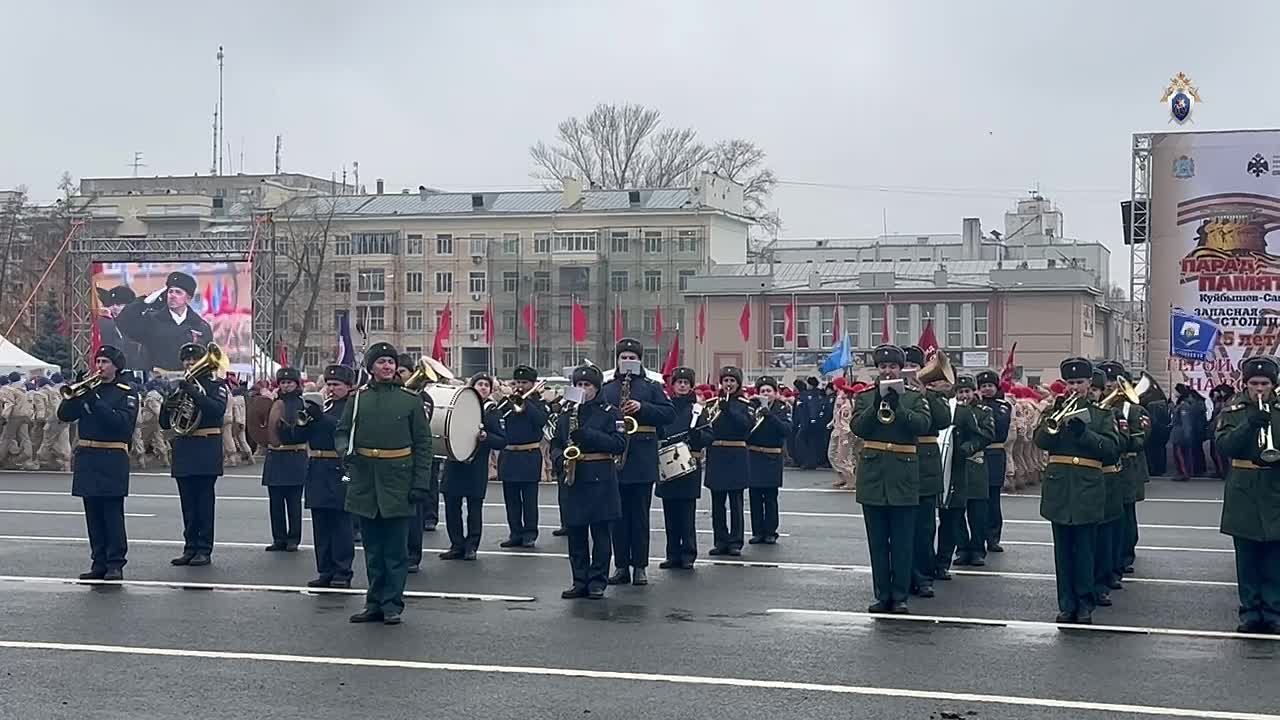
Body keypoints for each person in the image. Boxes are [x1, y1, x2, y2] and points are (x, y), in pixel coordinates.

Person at [339, 342, 432, 624]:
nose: (388, 367)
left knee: (395, 550)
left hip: (398, 481)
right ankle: (374, 603)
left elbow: (423, 445)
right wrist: (346, 450)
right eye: (381, 362)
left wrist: (420, 484)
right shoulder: (357, 400)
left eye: (391, 362)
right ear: (371, 368)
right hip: (366, 480)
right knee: (373, 549)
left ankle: (393, 603)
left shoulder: (410, 400)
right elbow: (342, 431)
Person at [1035, 357, 1120, 625]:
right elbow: (1040, 440)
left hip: (1087, 487)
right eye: (1070, 383)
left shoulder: (1102, 415)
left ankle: (1085, 603)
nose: (1074, 387)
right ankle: (1066, 604)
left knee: (1085, 550)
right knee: (1063, 552)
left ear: (1088, 384)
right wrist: (1056, 422)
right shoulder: (1053, 411)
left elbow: (1111, 450)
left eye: (1079, 382)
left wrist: (1085, 434)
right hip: (1060, 487)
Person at [853, 344, 931, 613]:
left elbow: (923, 426)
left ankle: (899, 595)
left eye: (892, 366)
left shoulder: (913, 397)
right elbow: (858, 428)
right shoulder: (865, 397)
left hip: (903, 475)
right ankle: (881, 594)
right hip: (874, 475)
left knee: (902, 540)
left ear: (900, 369)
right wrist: (877, 405)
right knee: (877, 541)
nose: (887, 371)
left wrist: (900, 409)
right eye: (883, 367)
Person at [56, 346, 140, 581]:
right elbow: (64, 415)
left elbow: (121, 424)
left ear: (116, 366)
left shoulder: (127, 392)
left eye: (105, 362)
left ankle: (115, 563)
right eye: (98, 361)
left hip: (112, 456)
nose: (100, 366)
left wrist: (95, 399)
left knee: (112, 513)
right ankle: (98, 561)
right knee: (92, 514)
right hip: (87, 456)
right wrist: (77, 395)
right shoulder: (89, 389)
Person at [1214, 356, 1280, 633]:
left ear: (1274, 385)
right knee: (1247, 556)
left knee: (1274, 556)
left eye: (1265, 383)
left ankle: (1273, 610)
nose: (1259, 389)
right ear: (1245, 384)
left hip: (1275, 486)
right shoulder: (1234, 410)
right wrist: (1249, 424)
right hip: (1244, 487)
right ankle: (1250, 610)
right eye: (1254, 383)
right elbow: (1224, 446)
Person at [601, 338, 674, 586]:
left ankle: (640, 566)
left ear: (640, 361)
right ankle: (621, 565)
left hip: (642, 456)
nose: (628, 361)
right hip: (616, 457)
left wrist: (642, 407)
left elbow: (668, 413)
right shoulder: (608, 388)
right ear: (618, 360)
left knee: (640, 516)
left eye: (633, 357)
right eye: (624, 357)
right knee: (617, 516)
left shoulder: (652, 387)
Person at [549, 364, 626, 599]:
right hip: (575, 477)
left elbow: (619, 444)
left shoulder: (611, 412)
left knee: (601, 534)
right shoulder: (565, 414)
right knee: (576, 533)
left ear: (596, 388)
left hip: (601, 477)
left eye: (587, 385)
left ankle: (597, 581)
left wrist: (589, 435)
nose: (582, 389)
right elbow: (555, 443)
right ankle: (579, 580)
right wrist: (559, 456)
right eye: (578, 385)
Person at [159, 343, 228, 567]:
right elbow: (165, 423)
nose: (190, 363)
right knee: (188, 504)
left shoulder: (216, 386)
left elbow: (215, 411)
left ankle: (204, 549)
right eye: (186, 360)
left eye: (194, 359)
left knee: (204, 503)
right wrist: (167, 406)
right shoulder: (179, 387)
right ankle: (189, 547)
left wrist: (196, 394)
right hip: (185, 447)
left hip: (206, 447)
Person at [297, 364, 357, 588]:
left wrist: (319, 417)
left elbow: (344, 428)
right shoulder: (324, 407)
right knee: (320, 523)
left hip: (340, 467)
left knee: (341, 523)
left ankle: (343, 571)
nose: (331, 388)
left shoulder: (351, 407)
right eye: (329, 384)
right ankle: (325, 569)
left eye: (336, 385)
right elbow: (301, 434)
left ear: (348, 387)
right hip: (317, 466)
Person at [440, 374, 506, 561]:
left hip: (476, 467)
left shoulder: (492, 411)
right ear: (472, 386)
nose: (483, 387)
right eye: (480, 384)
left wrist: (486, 437)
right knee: (452, 508)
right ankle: (456, 545)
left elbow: (502, 440)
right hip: (454, 464)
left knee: (474, 509)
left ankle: (471, 546)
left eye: (487, 385)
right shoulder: (459, 405)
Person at [904, 345, 949, 598]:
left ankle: (923, 576)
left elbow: (943, 420)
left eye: (915, 367)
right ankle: (900, 575)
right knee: (900, 526)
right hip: (899, 461)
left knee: (924, 526)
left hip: (926, 462)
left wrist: (926, 394)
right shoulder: (890, 391)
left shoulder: (932, 393)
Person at [936, 376, 992, 575]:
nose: (964, 395)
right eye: (960, 391)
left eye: (967, 391)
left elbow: (987, 434)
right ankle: (962, 548)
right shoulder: (949, 410)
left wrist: (967, 448)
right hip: (952, 468)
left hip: (974, 466)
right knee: (955, 514)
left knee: (978, 513)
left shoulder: (984, 412)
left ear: (974, 392)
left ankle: (977, 549)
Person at [658, 367, 711, 569]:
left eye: (686, 383)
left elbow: (709, 436)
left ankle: (688, 554)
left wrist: (697, 436)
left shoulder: (697, 410)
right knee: (669, 513)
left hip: (688, 465)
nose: (682, 386)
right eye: (679, 382)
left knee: (687, 514)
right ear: (673, 385)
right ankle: (672, 554)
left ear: (690, 386)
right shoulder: (666, 408)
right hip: (667, 463)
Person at [114, 271, 215, 374]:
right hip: (158, 380)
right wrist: (143, 302)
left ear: (188, 298)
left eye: (178, 292)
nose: (172, 295)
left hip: (191, 379)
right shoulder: (152, 320)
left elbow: (208, 358)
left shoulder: (200, 326)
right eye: (170, 292)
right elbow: (123, 323)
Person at [498, 364, 549, 548]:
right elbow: (498, 416)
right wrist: (511, 401)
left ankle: (530, 533)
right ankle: (515, 532)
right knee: (511, 499)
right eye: (517, 382)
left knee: (529, 499)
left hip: (529, 455)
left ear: (533, 384)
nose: (520, 386)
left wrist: (525, 403)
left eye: (524, 382)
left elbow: (541, 420)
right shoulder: (507, 402)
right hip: (509, 455)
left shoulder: (538, 403)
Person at [705, 367, 752, 556]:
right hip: (716, 453)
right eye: (726, 380)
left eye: (733, 381)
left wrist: (729, 411)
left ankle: (735, 541)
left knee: (735, 502)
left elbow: (747, 426)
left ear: (738, 384)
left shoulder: (743, 404)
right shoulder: (711, 404)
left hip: (736, 453)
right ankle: (720, 540)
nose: (729, 384)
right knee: (717, 502)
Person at [263, 367, 307, 552]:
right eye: (283, 382)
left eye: (289, 382)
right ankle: (278, 537)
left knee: (294, 501)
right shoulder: (274, 403)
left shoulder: (303, 404)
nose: (286, 386)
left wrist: (289, 429)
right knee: (275, 502)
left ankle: (293, 538)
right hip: (276, 456)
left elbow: (305, 431)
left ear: (296, 384)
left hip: (294, 455)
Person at [746, 376, 791, 545]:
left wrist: (770, 415)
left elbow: (786, 430)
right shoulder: (752, 408)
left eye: (769, 391)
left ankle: (771, 531)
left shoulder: (781, 408)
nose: (766, 394)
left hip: (772, 456)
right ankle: (757, 532)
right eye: (762, 391)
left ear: (775, 393)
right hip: (754, 455)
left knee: (770, 497)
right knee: (755, 497)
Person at [978, 370, 1012, 553]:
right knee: (977, 501)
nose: (987, 389)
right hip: (977, 454)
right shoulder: (973, 404)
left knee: (993, 500)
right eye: (983, 386)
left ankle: (993, 537)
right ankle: (977, 538)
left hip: (994, 454)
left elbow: (1000, 426)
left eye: (990, 386)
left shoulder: (1003, 406)